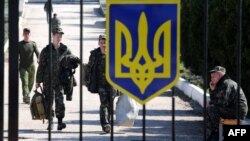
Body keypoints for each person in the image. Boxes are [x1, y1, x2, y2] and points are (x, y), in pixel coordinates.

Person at [36, 27, 71, 130]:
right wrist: (38, 81)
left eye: (60, 35)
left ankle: (60, 122)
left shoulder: (65, 50)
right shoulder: (46, 50)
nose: (59, 37)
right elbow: (41, 66)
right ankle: (50, 121)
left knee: (60, 101)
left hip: (60, 80)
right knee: (48, 101)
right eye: (57, 35)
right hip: (48, 80)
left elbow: (72, 61)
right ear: (53, 36)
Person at [206, 66, 248, 141]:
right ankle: (215, 132)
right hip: (234, 109)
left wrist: (213, 91)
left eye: (213, 76)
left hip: (237, 112)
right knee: (211, 108)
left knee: (211, 109)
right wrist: (213, 90)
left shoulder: (225, 84)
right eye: (211, 77)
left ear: (220, 75)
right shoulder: (224, 82)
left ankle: (217, 133)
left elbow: (221, 103)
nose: (211, 79)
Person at [85, 34, 116, 133]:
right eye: (101, 42)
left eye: (105, 42)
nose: (103, 44)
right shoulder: (94, 54)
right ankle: (105, 124)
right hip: (100, 84)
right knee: (104, 103)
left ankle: (108, 122)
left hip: (112, 84)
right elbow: (89, 68)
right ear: (98, 43)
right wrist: (87, 81)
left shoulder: (114, 54)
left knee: (110, 104)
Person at [18, 28, 40, 104]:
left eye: (28, 34)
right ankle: (26, 97)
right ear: (23, 34)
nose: (26, 35)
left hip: (31, 67)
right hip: (23, 67)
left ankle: (26, 95)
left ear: (30, 35)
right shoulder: (19, 44)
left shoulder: (33, 44)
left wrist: (39, 59)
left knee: (31, 83)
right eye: (25, 34)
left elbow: (38, 53)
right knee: (25, 82)